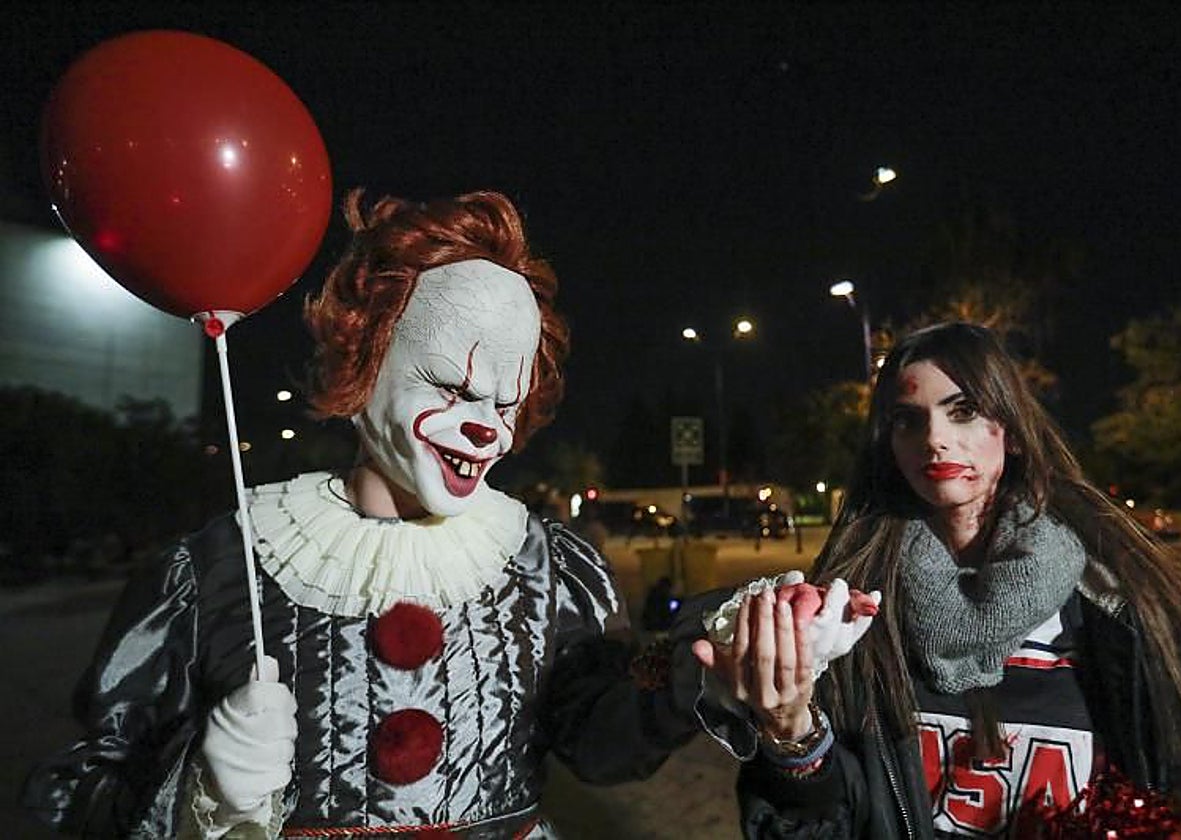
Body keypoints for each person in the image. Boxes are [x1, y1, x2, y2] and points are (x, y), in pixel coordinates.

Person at [23, 189, 710, 838]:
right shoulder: (219, 567)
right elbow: (80, 792)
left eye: (506, 403)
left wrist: (701, 667)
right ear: (365, 356)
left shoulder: (548, 565)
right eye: (450, 386)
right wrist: (197, 784)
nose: (487, 430)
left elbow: (601, 739)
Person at [694, 322, 1181, 836]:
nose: (935, 440)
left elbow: (1180, 784)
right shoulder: (851, 612)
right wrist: (791, 738)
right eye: (907, 421)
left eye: (964, 411)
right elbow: (823, 824)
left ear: (1014, 432)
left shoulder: (1122, 605)